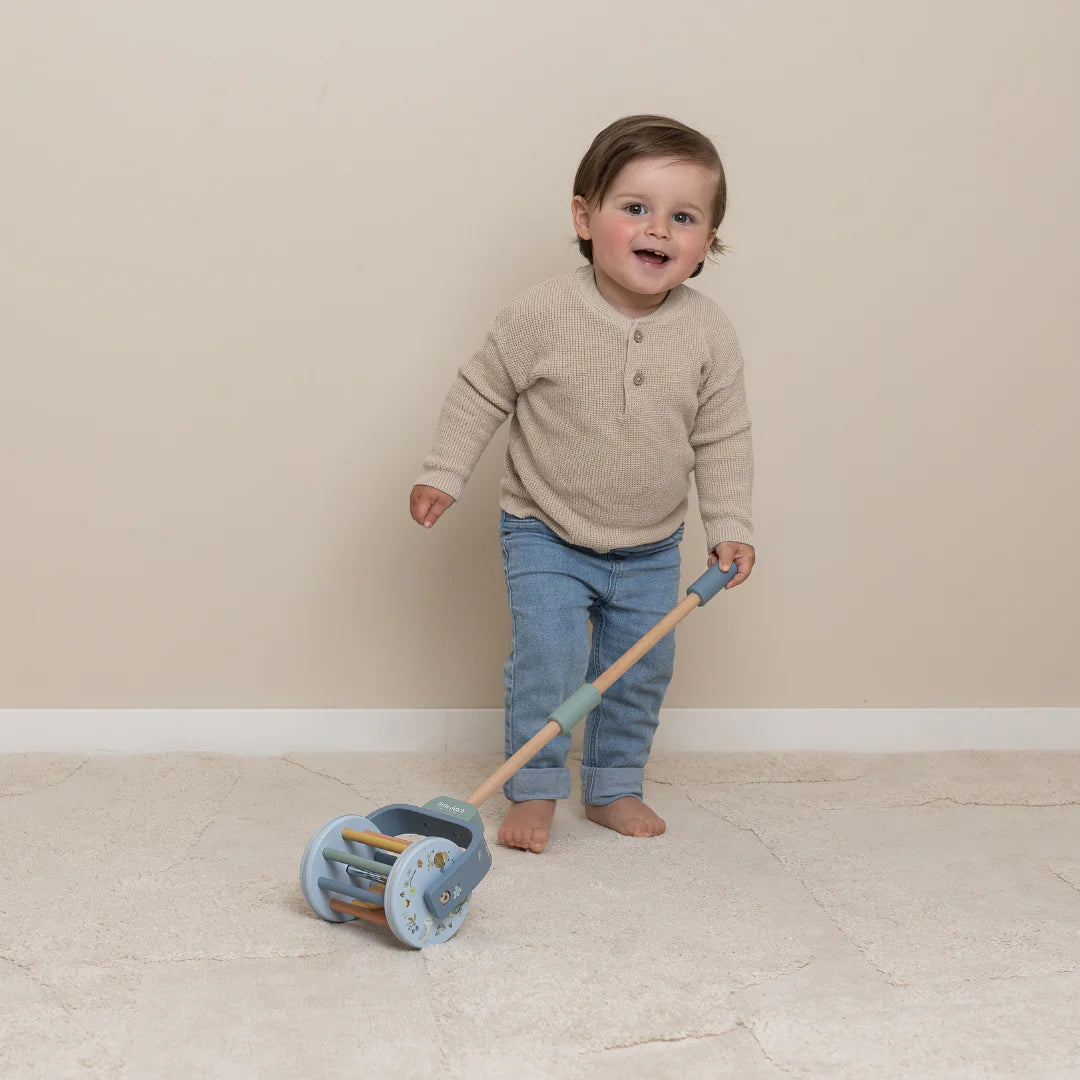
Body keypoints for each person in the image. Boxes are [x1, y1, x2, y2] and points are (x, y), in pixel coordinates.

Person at [410, 115, 755, 853]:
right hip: (544, 528)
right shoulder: (542, 313)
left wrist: (730, 523)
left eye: (683, 217)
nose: (657, 228)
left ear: (707, 244)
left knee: (640, 670)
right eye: (635, 208)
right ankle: (533, 789)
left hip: (653, 544)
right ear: (584, 216)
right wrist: (445, 472)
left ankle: (613, 783)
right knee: (550, 660)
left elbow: (722, 434)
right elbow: (480, 390)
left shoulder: (710, 335)